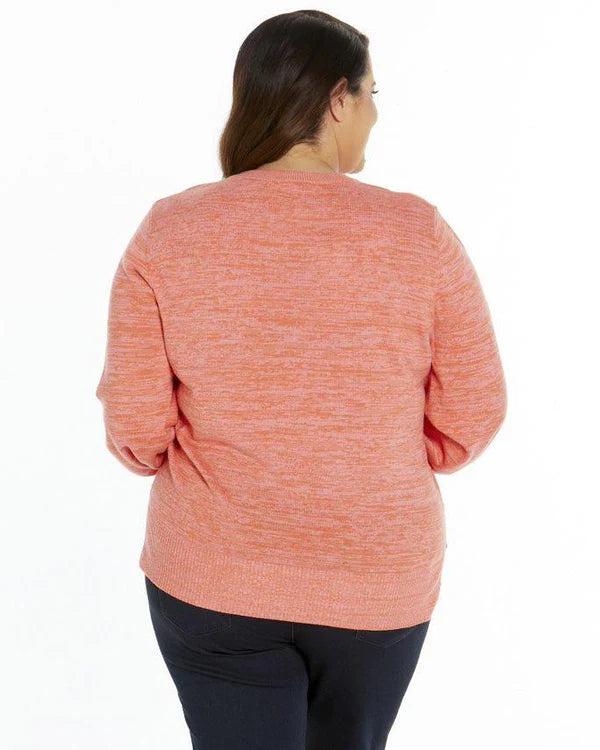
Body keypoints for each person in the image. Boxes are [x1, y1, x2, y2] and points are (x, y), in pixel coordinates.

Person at [95, 10, 507, 750]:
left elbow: (134, 424)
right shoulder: (418, 232)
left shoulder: (170, 229)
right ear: (338, 98)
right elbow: (472, 411)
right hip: (376, 576)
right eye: (373, 94)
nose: (376, 114)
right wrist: (368, 463)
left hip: (214, 574)